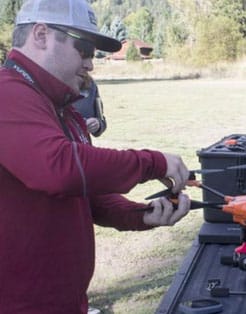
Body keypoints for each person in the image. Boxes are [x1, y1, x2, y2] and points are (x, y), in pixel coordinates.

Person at [0, 0, 191, 313]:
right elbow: (58, 168)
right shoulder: (7, 92)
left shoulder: (65, 109)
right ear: (40, 35)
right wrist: (152, 162)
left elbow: (91, 198)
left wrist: (141, 214)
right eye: (84, 49)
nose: (90, 64)